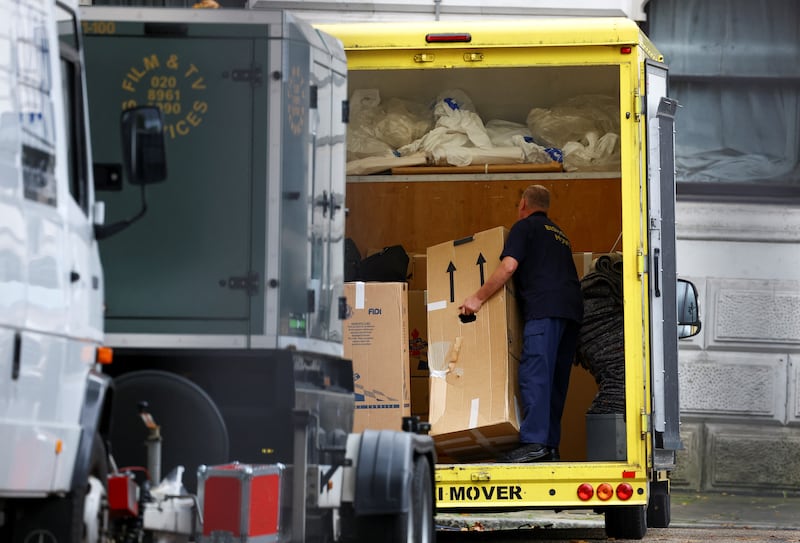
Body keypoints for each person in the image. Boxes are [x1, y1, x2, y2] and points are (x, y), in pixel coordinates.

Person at [459, 184, 583, 462]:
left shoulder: (524, 228)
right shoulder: (559, 234)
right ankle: (549, 446)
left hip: (545, 308)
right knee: (554, 380)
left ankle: (535, 442)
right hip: (571, 312)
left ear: (523, 204)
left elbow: (509, 266)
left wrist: (477, 299)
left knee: (536, 375)